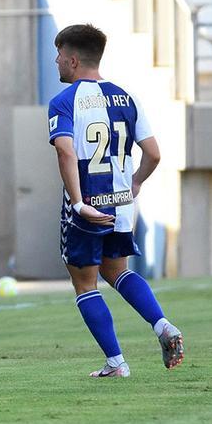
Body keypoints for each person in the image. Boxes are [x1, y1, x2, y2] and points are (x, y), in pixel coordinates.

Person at [47, 24, 183, 378]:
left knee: (85, 283)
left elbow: (65, 151)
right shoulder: (127, 96)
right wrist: (135, 183)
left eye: (59, 54)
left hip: (88, 206)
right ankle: (163, 326)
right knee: (117, 271)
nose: (57, 61)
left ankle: (116, 362)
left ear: (73, 60)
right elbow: (153, 153)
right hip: (122, 204)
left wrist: (78, 204)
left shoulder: (64, 101)